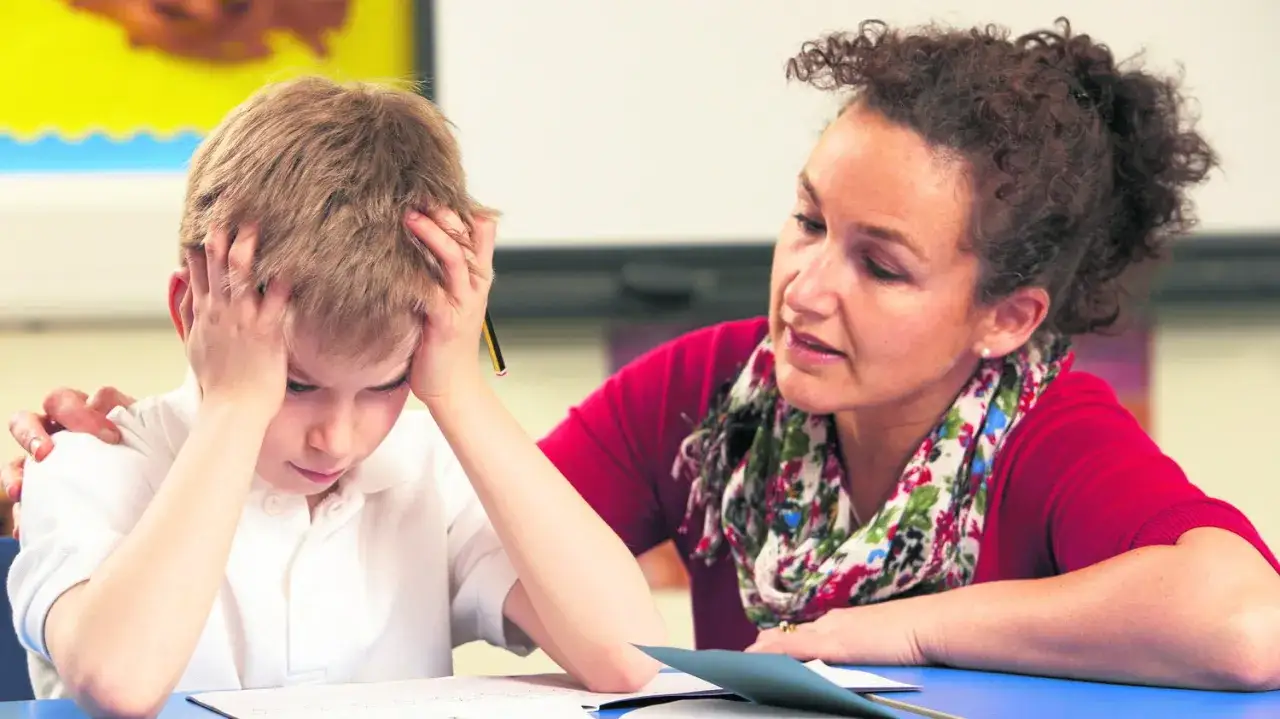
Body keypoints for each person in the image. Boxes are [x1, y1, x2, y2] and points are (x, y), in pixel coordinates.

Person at [9, 17, 1280, 693]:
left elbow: (1242, 618)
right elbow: (524, 535)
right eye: (804, 221)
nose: (805, 286)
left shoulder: (1048, 432)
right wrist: (228, 412)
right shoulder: (707, 392)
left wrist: (892, 631)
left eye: (878, 264)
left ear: (1003, 315)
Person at [3, 76, 663, 717]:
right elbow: (120, 682)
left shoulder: (428, 471)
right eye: (294, 384)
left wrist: (458, 388)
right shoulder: (89, 462)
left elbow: (632, 659)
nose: (336, 438)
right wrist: (236, 405)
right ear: (192, 313)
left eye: (385, 384)